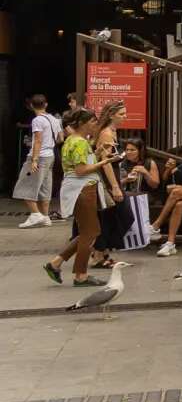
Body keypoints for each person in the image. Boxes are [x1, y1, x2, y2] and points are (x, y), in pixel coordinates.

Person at [45, 108, 113, 287]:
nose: (95, 125)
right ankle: (80, 275)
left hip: (77, 189)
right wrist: (104, 161)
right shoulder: (81, 143)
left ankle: (56, 263)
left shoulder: (72, 140)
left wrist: (97, 154)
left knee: (87, 232)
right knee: (91, 232)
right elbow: (81, 170)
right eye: (92, 122)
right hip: (83, 189)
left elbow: (79, 165)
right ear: (82, 123)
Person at [89, 101, 129, 269]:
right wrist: (114, 186)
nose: (124, 117)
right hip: (107, 179)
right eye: (121, 114)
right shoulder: (106, 133)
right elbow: (105, 162)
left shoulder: (112, 131)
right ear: (111, 115)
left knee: (111, 217)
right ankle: (98, 253)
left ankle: (102, 252)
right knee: (119, 216)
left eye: (125, 113)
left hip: (112, 176)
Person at [11, 94, 58, 228]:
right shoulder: (53, 119)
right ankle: (45, 216)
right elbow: (60, 137)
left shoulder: (37, 120)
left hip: (39, 156)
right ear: (46, 105)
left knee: (24, 185)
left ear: (31, 105)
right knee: (45, 187)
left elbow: (38, 139)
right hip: (50, 155)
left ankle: (35, 214)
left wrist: (34, 160)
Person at [115, 138, 159, 253]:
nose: (129, 152)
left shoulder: (149, 162)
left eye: (132, 150)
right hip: (127, 194)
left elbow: (155, 184)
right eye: (127, 150)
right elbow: (116, 183)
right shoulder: (122, 164)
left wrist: (145, 173)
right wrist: (126, 180)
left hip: (145, 195)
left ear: (140, 151)